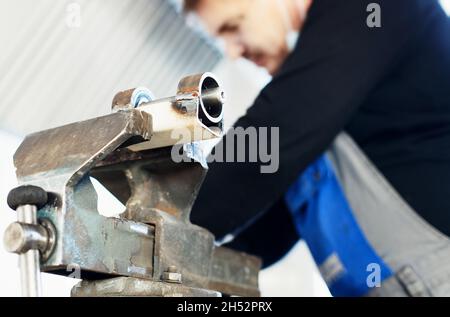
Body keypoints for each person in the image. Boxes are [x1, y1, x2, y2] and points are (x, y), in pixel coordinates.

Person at [184, 0, 450, 296]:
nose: (233, 52)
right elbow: (272, 227)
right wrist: (190, 271)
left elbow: (278, 130)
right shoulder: (337, 86)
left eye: (233, 26)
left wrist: (168, 217)